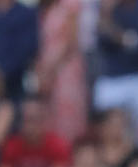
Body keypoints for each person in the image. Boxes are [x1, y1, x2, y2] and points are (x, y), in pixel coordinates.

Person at [93, 0, 138, 136]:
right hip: (114, 77)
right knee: (111, 133)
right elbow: (102, 40)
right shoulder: (106, 5)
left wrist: (124, 39)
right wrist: (106, 14)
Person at [36, 0, 87, 143]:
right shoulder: (46, 6)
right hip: (47, 71)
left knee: (66, 117)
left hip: (66, 69)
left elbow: (72, 42)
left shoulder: (70, 4)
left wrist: (51, 67)